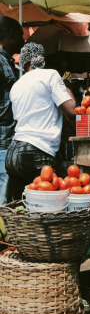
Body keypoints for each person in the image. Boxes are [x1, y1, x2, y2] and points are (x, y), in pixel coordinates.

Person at [5, 42, 76, 200]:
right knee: (48, 208)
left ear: (24, 63)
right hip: (37, 151)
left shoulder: (16, 86)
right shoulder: (50, 75)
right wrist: (66, 85)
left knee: (19, 211)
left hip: (13, 152)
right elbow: (71, 111)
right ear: (42, 60)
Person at [0, 16, 24, 205]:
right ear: (11, 34)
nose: (24, 41)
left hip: (8, 140)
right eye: (21, 36)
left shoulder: (8, 62)